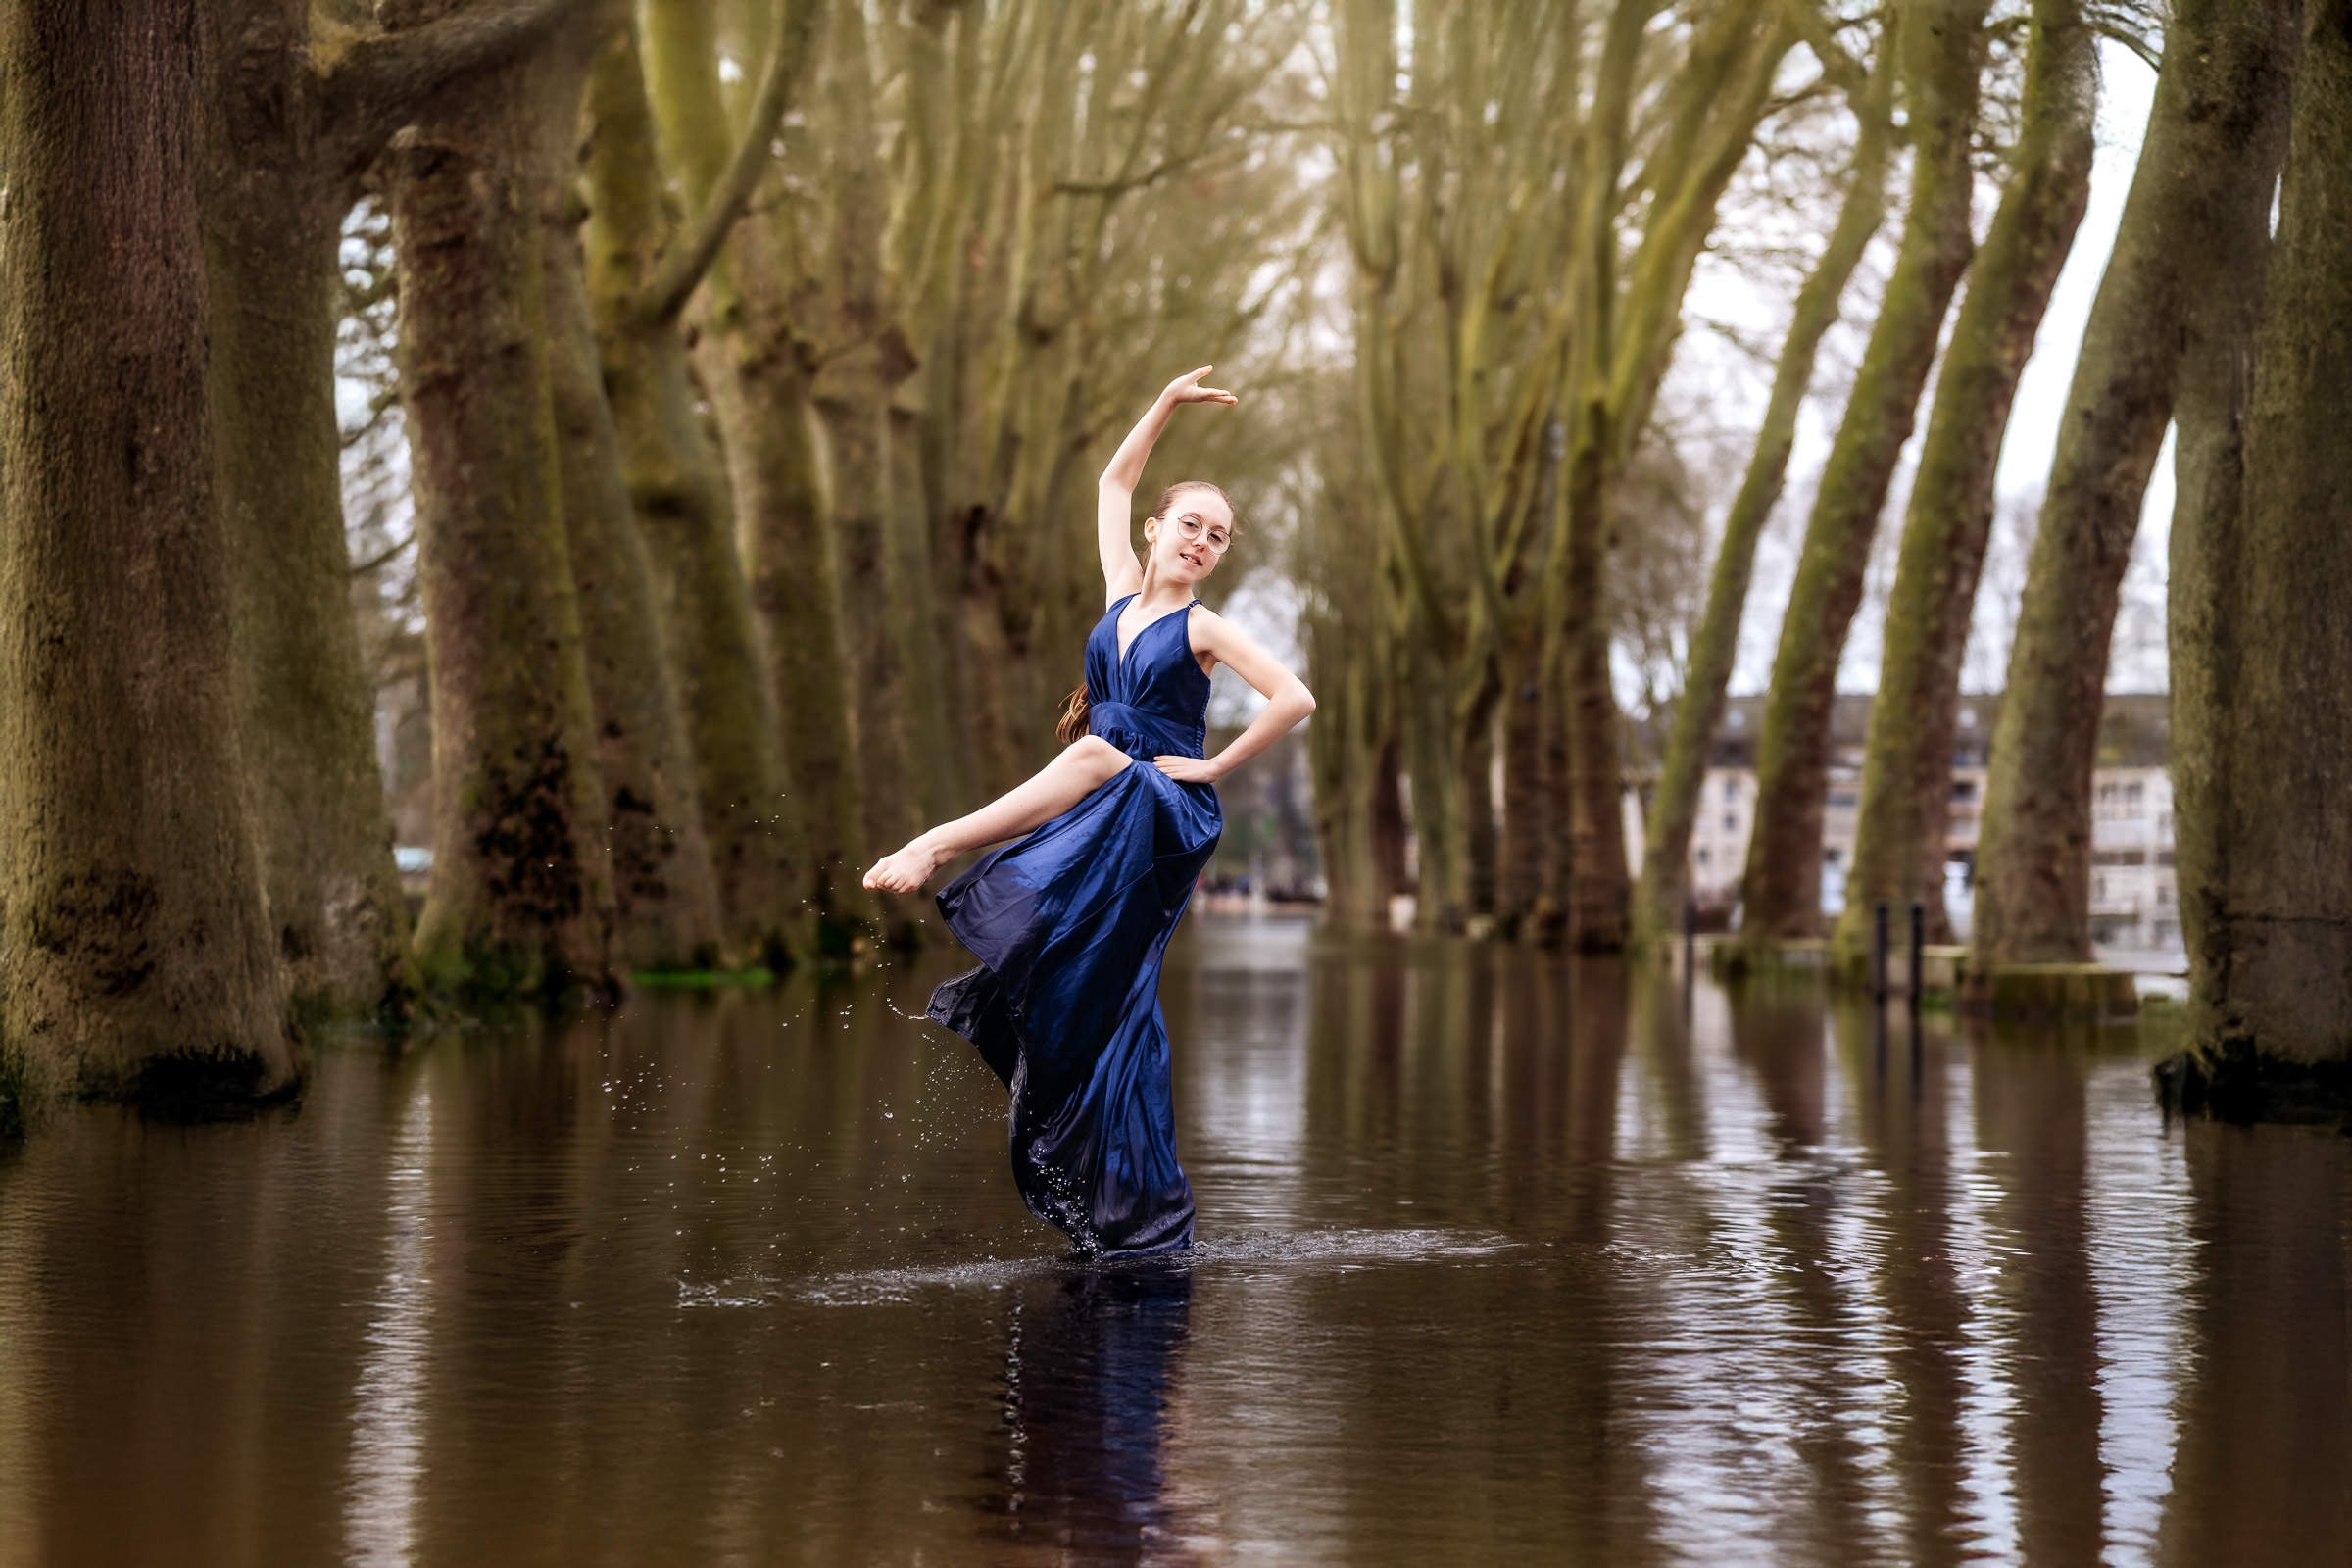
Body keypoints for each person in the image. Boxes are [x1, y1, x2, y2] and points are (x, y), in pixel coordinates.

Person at [863, 366, 1315, 1257]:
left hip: (1163, 805)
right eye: (1190, 524)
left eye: (1217, 537)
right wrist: (1165, 403)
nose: (1201, 542)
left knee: (1095, 755)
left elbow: (1295, 697)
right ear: (1156, 529)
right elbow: (1113, 480)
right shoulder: (1119, 594)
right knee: (1107, 989)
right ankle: (1124, 1206)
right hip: (1107, 797)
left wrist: (1214, 764)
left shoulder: (1203, 628)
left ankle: (936, 845)